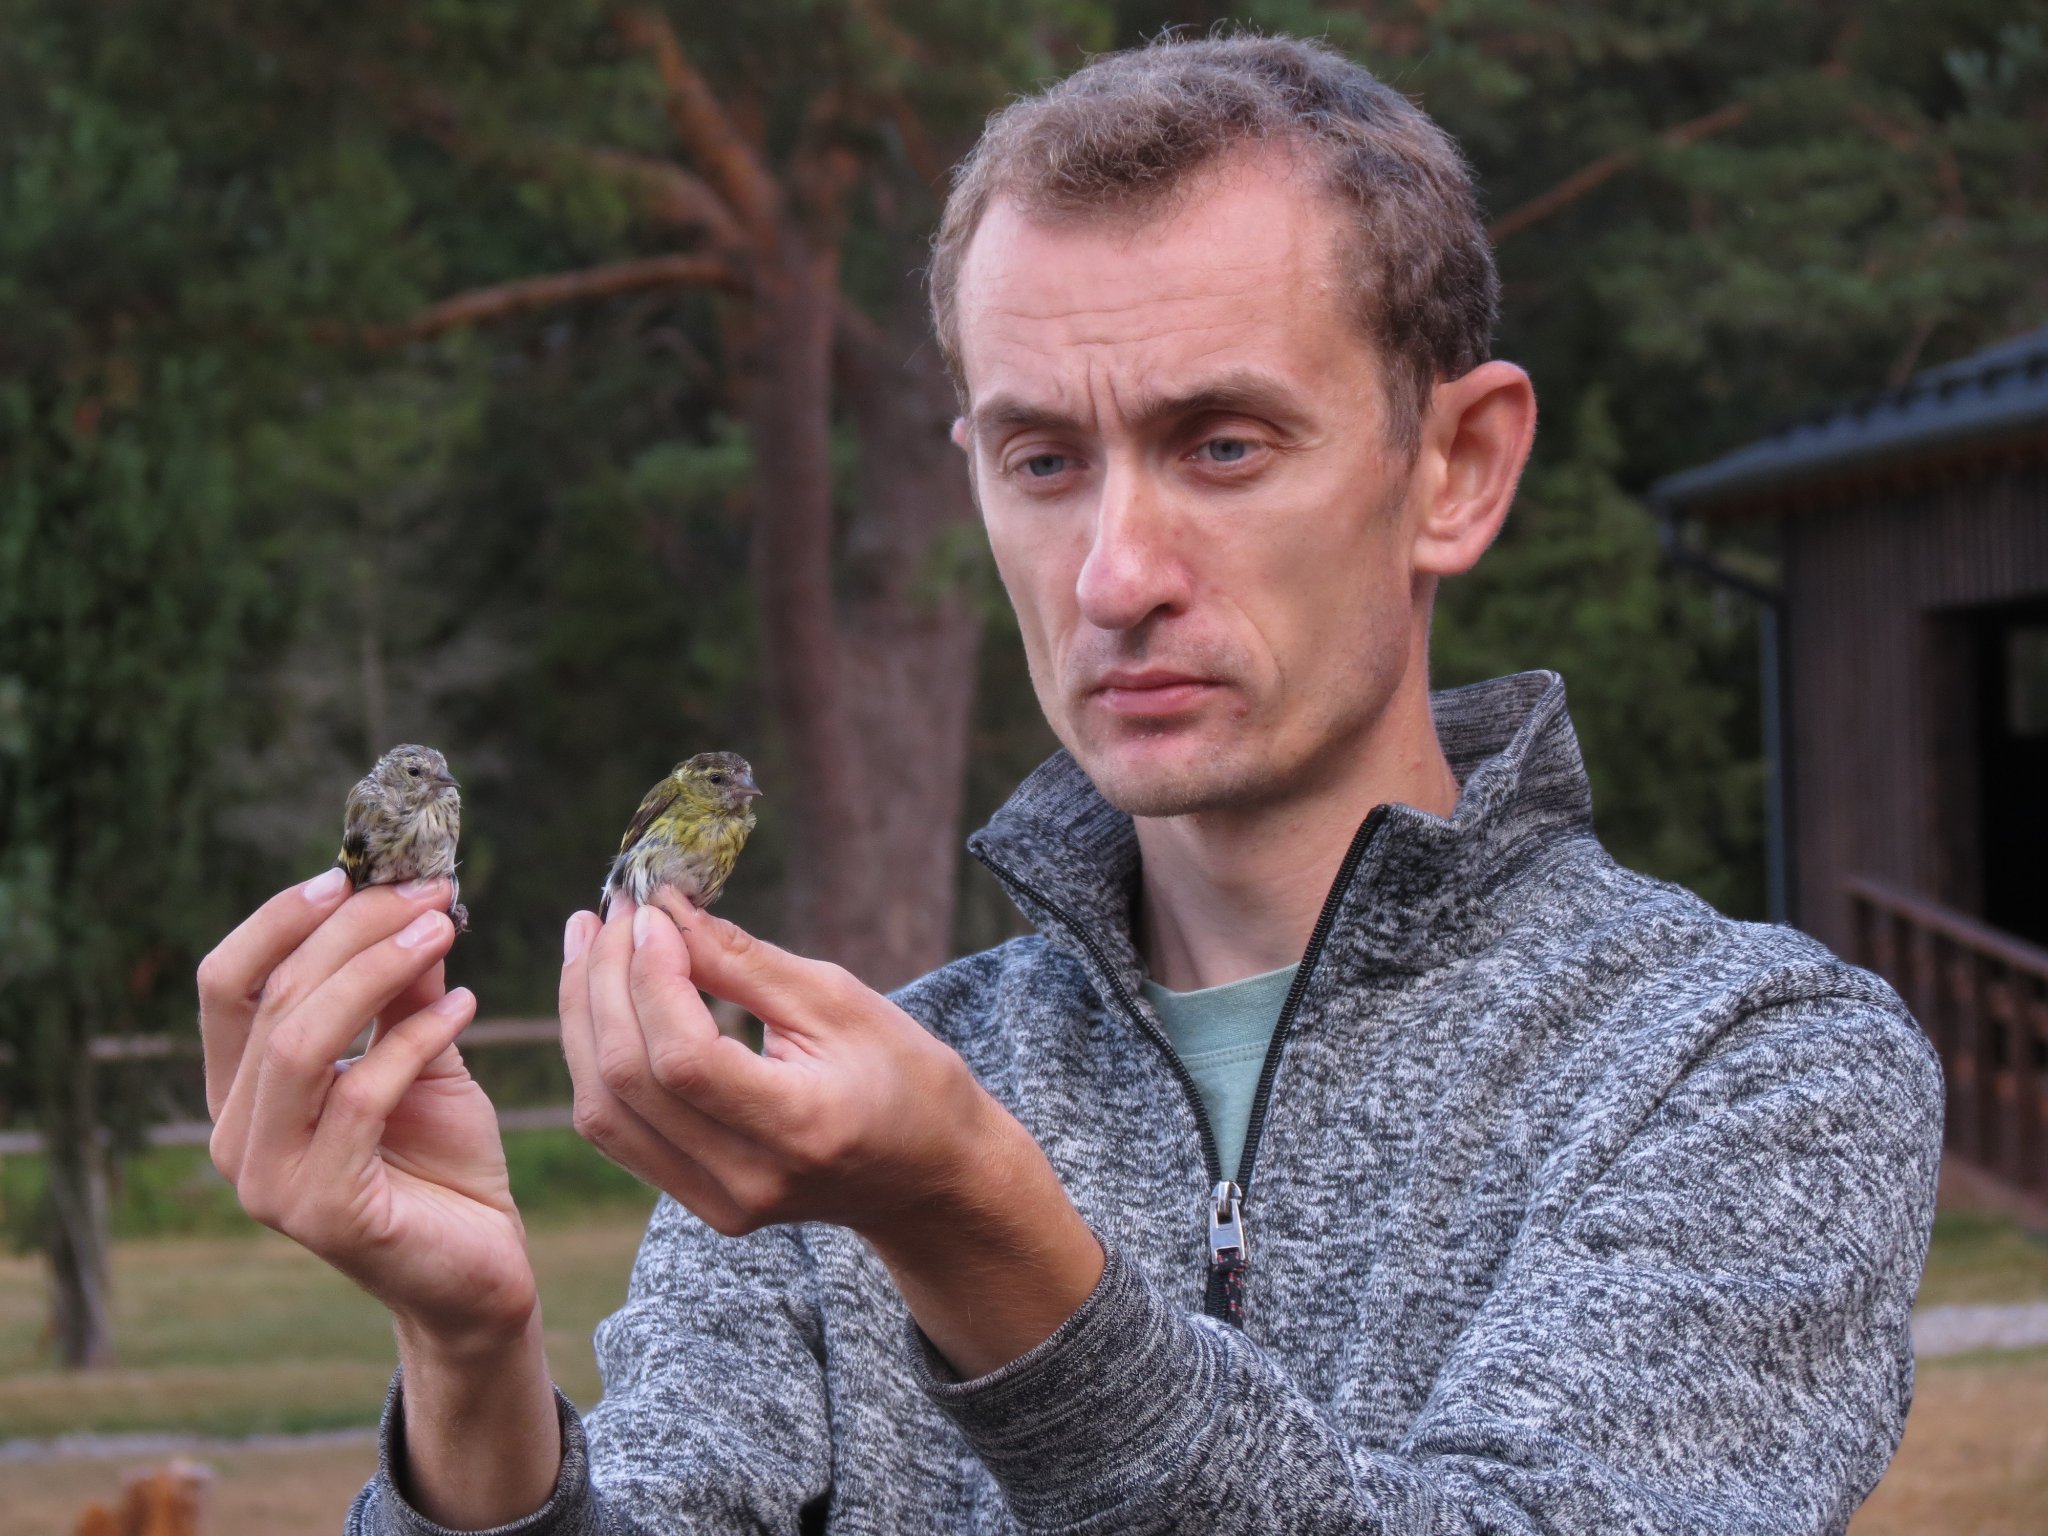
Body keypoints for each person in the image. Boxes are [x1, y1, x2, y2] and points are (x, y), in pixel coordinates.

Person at [196, 32, 1943, 1535]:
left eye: (1223, 444)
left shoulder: (1751, 1074)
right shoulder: (841, 1119)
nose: (1114, 571)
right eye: (1044, 458)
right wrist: (473, 1370)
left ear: (1458, 470)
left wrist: (979, 1228)